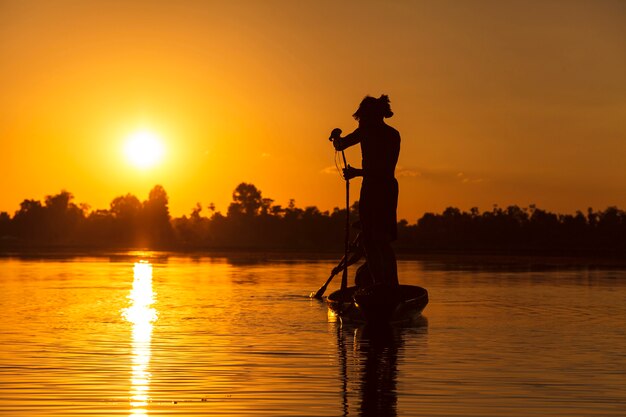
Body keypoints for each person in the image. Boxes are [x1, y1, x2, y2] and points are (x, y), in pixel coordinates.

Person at [330, 95, 400, 287]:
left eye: (363, 118)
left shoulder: (389, 135)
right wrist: (335, 138)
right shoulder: (368, 132)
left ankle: (386, 286)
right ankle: (384, 285)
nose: (361, 122)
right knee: (373, 240)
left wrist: (356, 172)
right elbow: (341, 145)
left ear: (373, 116)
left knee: (378, 240)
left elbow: (385, 170)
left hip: (381, 188)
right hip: (375, 188)